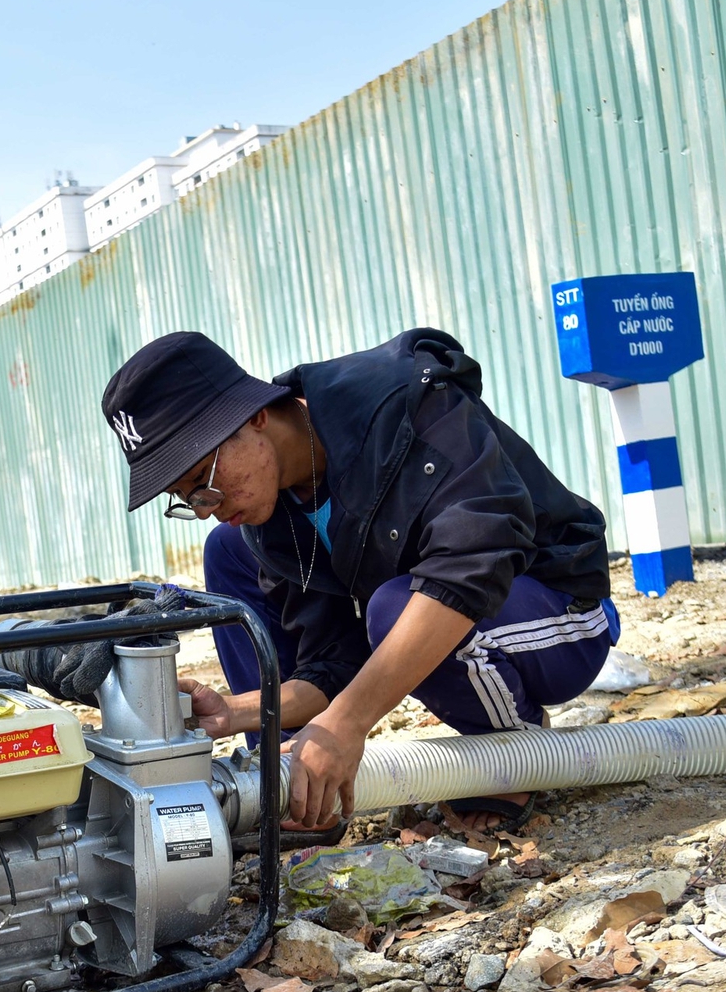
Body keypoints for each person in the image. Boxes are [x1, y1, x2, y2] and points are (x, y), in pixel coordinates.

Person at [101, 329, 617, 835]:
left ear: (251, 415)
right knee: (228, 550)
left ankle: (516, 746)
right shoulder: (273, 512)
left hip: (557, 610)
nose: (208, 508)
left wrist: (348, 722)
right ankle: (295, 772)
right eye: (187, 500)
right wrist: (237, 712)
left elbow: (474, 561)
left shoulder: (404, 403)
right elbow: (334, 663)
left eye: (202, 482)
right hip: (435, 617)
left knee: (392, 607)